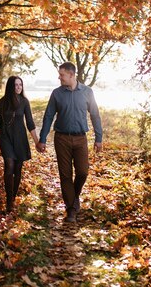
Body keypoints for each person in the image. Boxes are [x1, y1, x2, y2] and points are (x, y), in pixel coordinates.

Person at [37, 62, 103, 223]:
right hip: (62, 138)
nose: (59, 77)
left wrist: (99, 138)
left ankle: (73, 197)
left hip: (81, 138)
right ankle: (71, 209)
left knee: (83, 172)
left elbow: (95, 115)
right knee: (65, 175)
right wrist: (43, 138)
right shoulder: (56, 94)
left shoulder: (87, 92)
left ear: (72, 75)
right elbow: (48, 116)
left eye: (62, 75)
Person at [0, 76, 39, 213]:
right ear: (10, 86)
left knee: (18, 169)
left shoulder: (24, 102)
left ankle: (13, 197)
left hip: (20, 138)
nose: (18, 87)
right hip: (6, 138)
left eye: (20, 85)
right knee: (9, 165)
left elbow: (30, 123)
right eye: (15, 85)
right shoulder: (2, 102)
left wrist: (37, 141)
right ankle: (9, 201)